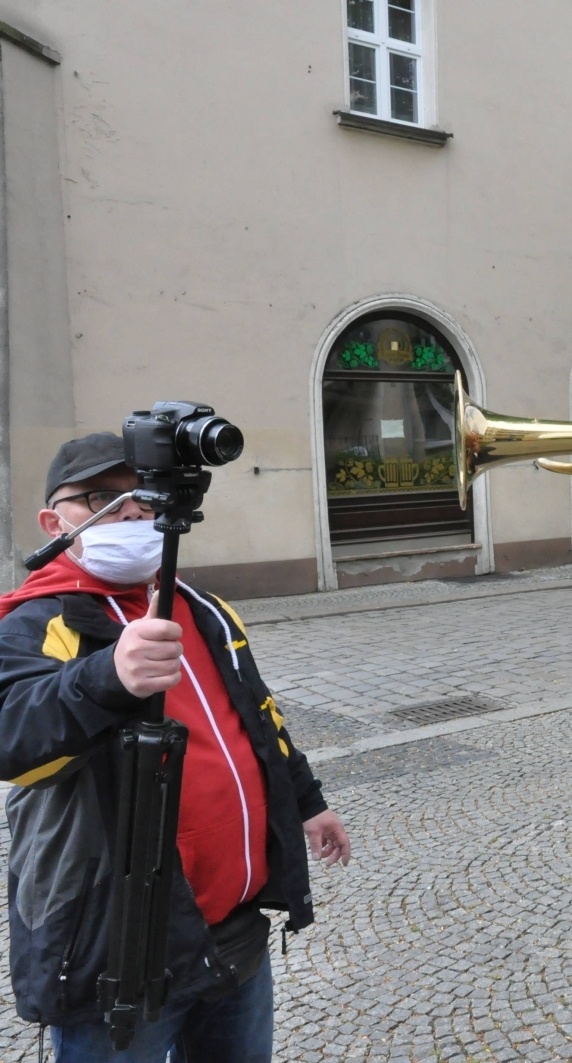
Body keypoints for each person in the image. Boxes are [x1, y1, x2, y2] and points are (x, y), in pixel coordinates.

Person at [0, 432, 351, 1062]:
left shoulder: (204, 608)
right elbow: (10, 740)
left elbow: (259, 715)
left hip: (232, 932)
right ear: (55, 521)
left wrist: (307, 802)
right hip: (115, 945)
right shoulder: (35, 619)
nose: (130, 510)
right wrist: (108, 676)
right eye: (101, 498)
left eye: (141, 493)